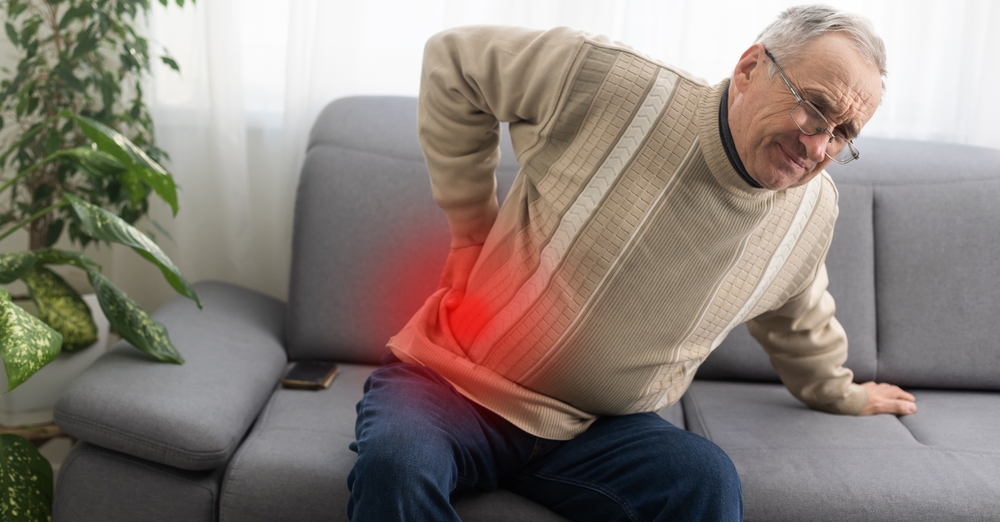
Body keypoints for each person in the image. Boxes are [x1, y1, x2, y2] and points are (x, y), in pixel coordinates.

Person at [347, 5, 917, 521]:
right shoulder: (610, 80)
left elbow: (800, 316)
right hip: (451, 384)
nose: (819, 145)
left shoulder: (810, 214)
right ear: (749, 69)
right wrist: (470, 231)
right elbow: (454, 61)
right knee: (395, 470)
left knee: (704, 481)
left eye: (842, 133)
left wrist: (840, 393)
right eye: (815, 107)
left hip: (599, 431)